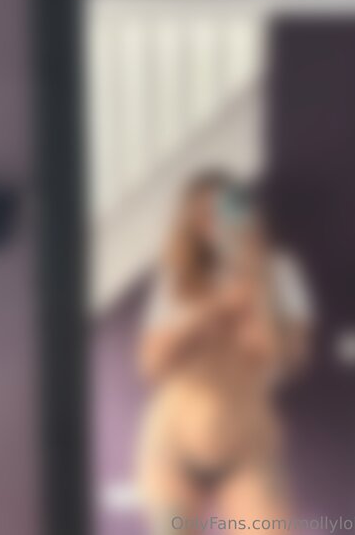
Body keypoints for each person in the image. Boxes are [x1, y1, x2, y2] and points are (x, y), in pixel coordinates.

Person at [134, 171, 315, 534]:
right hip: (173, 447)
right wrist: (214, 308)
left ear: (247, 213)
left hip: (248, 451)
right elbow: (151, 364)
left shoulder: (282, 273)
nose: (214, 224)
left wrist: (255, 275)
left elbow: (285, 359)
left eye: (224, 211)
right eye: (202, 215)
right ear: (191, 223)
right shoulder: (177, 276)